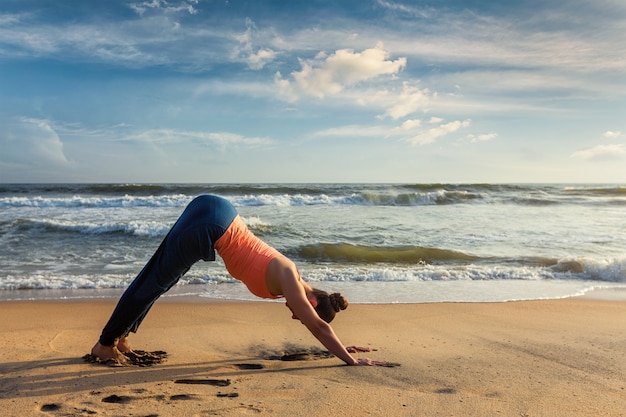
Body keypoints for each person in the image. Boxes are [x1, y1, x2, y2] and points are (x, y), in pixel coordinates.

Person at [91, 194, 388, 366]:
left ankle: (122, 337)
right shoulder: (291, 282)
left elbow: (319, 327)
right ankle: (105, 345)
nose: (297, 318)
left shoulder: (291, 274)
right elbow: (319, 326)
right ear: (312, 303)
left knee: (160, 280)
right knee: (154, 283)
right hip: (211, 224)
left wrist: (339, 346)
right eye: (302, 316)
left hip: (216, 211)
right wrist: (351, 360)